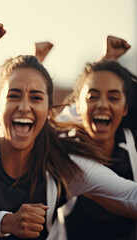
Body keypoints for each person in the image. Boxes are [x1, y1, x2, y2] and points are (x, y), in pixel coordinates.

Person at [0, 20, 137, 239]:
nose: (25, 107)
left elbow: (129, 195)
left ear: (48, 110)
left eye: (36, 98)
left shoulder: (63, 166)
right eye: (14, 95)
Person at [62, 59, 137, 239]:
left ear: (125, 108)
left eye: (113, 97)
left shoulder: (131, 143)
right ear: (77, 107)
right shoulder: (64, 151)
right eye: (92, 96)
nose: (103, 104)